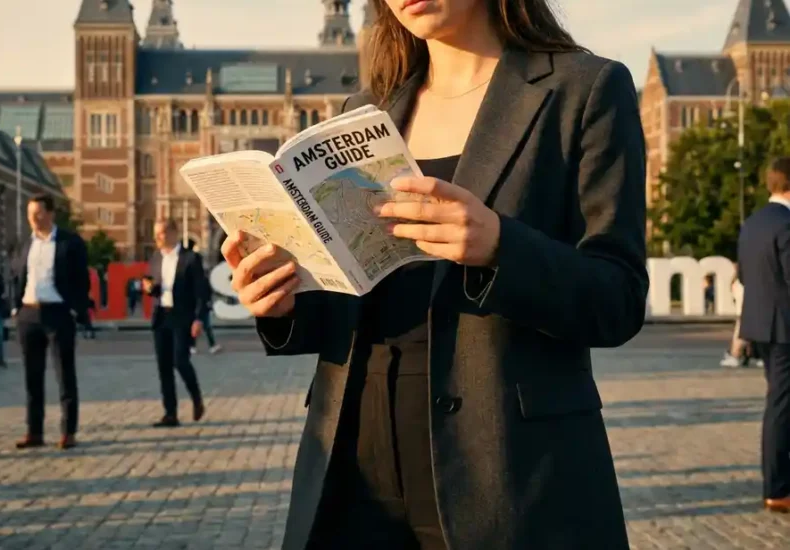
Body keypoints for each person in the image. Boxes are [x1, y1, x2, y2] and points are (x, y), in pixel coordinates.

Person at [221, 0, 648, 548]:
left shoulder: (584, 89)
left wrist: (500, 246)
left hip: (505, 474)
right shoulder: (364, 109)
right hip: (354, 465)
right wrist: (284, 302)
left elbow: (619, 297)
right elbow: (350, 301)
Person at [12, 193, 90, 451]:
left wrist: (76, 311)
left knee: (64, 374)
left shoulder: (69, 242)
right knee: (32, 377)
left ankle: (69, 431)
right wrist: (16, 307)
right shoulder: (26, 244)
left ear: (50, 213)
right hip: (29, 315)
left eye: (38, 213)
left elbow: (81, 280)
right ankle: (34, 431)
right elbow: (17, 275)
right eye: (30, 213)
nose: (33, 218)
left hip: (58, 314)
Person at [737, 156, 790, 513]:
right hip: (786, 328)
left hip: (761, 325)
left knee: (781, 403)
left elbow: (743, 276)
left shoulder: (753, 223)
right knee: (781, 407)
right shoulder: (787, 224)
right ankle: (777, 488)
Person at [143, 219, 207, 427]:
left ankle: (196, 398)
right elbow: (153, 286)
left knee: (180, 361)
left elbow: (201, 291)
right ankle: (170, 413)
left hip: (183, 317)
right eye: (156, 233)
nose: (158, 238)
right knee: (164, 366)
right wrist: (149, 287)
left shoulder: (190, 258)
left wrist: (198, 318)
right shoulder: (155, 258)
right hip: (161, 316)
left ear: (173, 233)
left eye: (161, 233)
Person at [187, 239, 221, 355]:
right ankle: (208, 345)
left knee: (202, 327)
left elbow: (206, 292)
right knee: (204, 327)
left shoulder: (199, 278)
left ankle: (194, 346)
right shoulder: (201, 278)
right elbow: (205, 292)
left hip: (199, 305)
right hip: (200, 306)